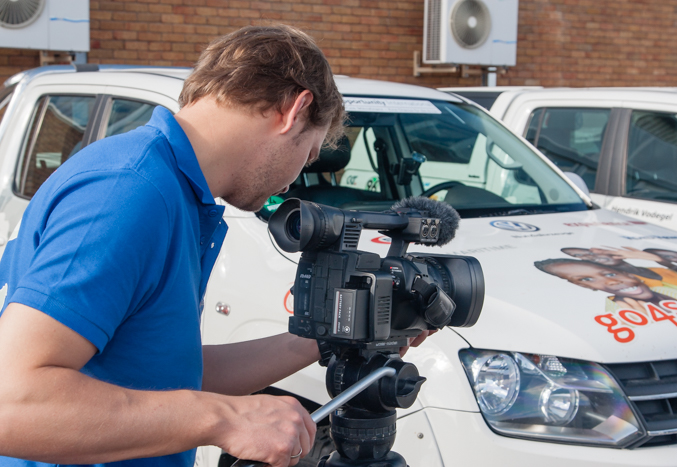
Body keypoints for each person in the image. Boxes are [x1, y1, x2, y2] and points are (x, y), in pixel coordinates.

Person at [0, 25, 434, 467]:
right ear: (295, 109)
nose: (292, 182)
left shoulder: (172, 191)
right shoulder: (129, 193)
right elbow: (10, 403)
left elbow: (163, 374)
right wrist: (225, 419)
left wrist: (324, 339)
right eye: (307, 156)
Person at [534, 258, 676, 312]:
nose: (611, 282)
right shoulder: (618, 312)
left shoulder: (672, 287)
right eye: (586, 279)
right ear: (584, 286)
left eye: (610, 274)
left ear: (627, 273)